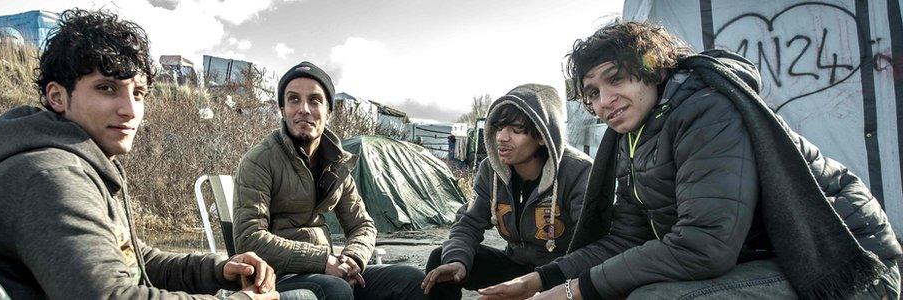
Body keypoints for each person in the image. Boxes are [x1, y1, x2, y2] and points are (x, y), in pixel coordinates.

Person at [489, 21, 902, 300]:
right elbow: (625, 238)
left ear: (651, 70)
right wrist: (540, 279)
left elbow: (705, 246)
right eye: (592, 93)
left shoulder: (706, 111)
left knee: (651, 297)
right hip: (763, 257)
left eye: (616, 79)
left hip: (845, 263)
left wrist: (574, 291)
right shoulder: (634, 137)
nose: (604, 101)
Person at [0, 9, 315, 299]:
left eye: (139, 93)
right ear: (57, 96)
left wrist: (219, 270)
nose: (129, 110)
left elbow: (137, 261)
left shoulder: (76, 163)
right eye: (107, 88)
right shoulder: (49, 177)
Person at [233, 61, 425, 300]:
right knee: (336, 289)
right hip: (279, 278)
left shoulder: (336, 163)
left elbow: (362, 225)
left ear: (328, 112)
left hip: (329, 273)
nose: (304, 109)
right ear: (282, 109)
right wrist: (323, 260)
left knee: (414, 281)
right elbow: (249, 238)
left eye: (315, 100)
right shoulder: (260, 160)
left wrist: (353, 258)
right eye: (294, 99)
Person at [421, 84, 593, 299]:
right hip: (515, 266)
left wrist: (542, 285)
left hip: (561, 275)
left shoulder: (579, 172)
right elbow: (468, 223)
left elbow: (593, 247)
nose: (502, 137)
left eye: (515, 130)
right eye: (499, 128)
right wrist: (457, 260)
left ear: (542, 136)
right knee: (442, 260)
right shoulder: (490, 170)